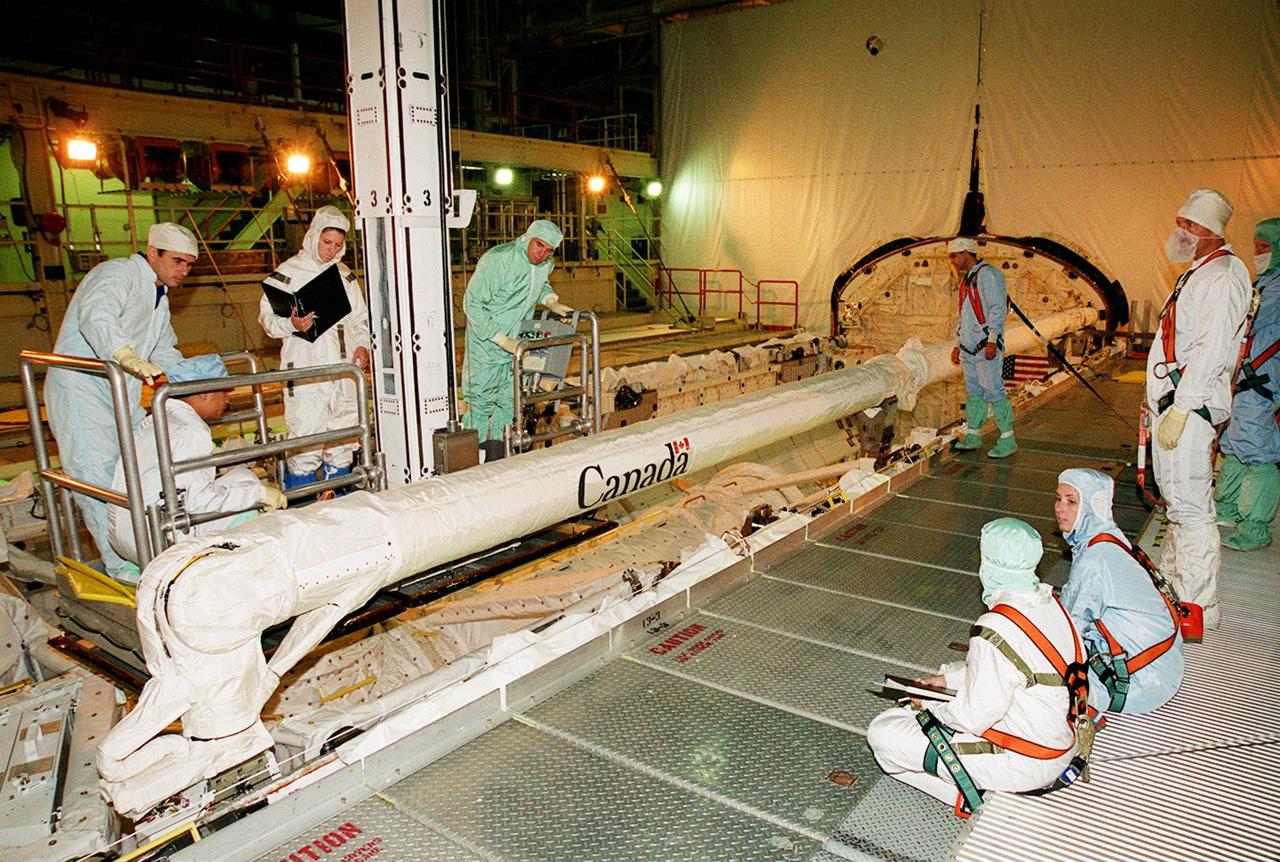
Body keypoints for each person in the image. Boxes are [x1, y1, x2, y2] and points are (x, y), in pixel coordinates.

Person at [866, 518, 1086, 813]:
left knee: (883, 734)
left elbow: (972, 717)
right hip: (1061, 740)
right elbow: (1019, 670)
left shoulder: (996, 626)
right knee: (911, 717)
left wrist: (927, 705)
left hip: (1027, 760)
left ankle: (973, 799)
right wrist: (947, 680)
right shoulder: (1051, 605)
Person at [44, 222, 197, 575]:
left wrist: (194, 375)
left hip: (119, 393)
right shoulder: (116, 274)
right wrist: (124, 354)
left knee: (132, 477)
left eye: (189, 265)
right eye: (176, 261)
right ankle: (120, 567)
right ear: (152, 253)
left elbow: (163, 347)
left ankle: (141, 552)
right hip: (82, 391)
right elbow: (96, 315)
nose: (182, 271)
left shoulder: (159, 298)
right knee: (97, 481)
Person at [1146, 189, 1252, 629]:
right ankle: (1176, 587)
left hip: (1188, 410)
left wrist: (1181, 408)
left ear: (1210, 230)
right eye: (1180, 222)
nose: (1180, 231)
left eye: (1188, 225)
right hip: (1175, 405)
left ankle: (1197, 608)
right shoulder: (1200, 272)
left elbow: (1211, 351)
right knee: (1178, 507)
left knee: (1191, 510)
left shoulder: (1224, 276)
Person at [107, 355, 286, 581]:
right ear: (204, 393)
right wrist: (259, 495)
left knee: (241, 476)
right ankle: (237, 576)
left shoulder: (154, 419)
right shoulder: (192, 430)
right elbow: (198, 501)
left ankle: (135, 569)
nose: (227, 400)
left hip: (126, 539)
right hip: (159, 543)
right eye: (223, 392)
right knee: (249, 496)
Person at [258, 206, 371, 490]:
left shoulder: (345, 276)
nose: (331, 250)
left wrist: (362, 346)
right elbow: (268, 321)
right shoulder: (287, 274)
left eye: (337, 245)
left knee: (344, 438)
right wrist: (292, 324)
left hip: (342, 371)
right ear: (313, 236)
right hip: (306, 369)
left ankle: (341, 499)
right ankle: (303, 500)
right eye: (326, 242)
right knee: (306, 442)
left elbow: (360, 321)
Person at [1056, 468, 1183, 714]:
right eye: (1058, 498)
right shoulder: (1110, 537)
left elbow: (1067, 632)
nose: (1060, 508)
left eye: (1071, 501)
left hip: (1140, 684)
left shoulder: (1093, 561)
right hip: (1165, 664)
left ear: (1092, 507)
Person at [461, 219, 572, 457]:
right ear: (527, 238)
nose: (542, 254)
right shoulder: (499, 259)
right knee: (480, 404)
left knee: (509, 402)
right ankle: (472, 463)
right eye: (539, 245)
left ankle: (499, 456)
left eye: (549, 250)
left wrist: (550, 299)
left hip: (517, 345)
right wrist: (500, 339)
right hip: (487, 344)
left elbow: (538, 284)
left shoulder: (544, 264)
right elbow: (472, 303)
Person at [1216, 217, 1280, 551]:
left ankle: (1255, 528)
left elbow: (1245, 318)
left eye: (1264, 248)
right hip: (1246, 379)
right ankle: (1226, 508)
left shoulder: (1277, 289)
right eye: (1255, 246)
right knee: (1234, 444)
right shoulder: (1264, 283)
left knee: (1258, 452)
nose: (1257, 253)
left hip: (1261, 380)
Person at [947, 237, 1016, 458]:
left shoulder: (989, 275)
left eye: (954, 256)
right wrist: (958, 345)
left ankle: (1007, 438)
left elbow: (997, 308)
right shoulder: (967, 280)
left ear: (966, 253)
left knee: (994, 390)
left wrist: (992, 340)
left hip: (984, 345)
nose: (952, 261)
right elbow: (964, 315)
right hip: (968, 347)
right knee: (974, 392)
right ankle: (974, 433)